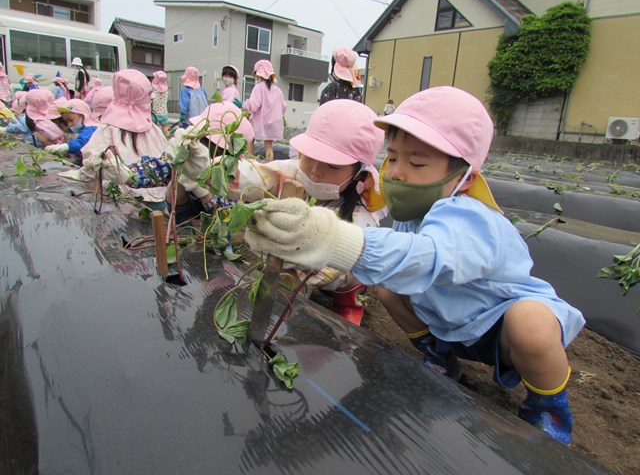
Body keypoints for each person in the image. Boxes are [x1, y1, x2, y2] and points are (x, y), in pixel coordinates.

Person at [243, 86, 585, 445]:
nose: (398, 173)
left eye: (417, 163)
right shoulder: (416, 216)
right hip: (449, 325)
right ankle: (439, 356)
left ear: (466, 177)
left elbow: (428, 257)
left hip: (499, 331)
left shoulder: (472, 218)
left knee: (531, 322)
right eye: (392, 158)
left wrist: (331, 239)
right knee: (390, 292)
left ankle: (548, 408)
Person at [178, 99, 387, 325]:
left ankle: (348, 303)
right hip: (293, 263)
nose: (315, 171)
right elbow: (253, 175)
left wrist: (299, 262)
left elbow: (347, 259)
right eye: (309, 157)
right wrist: (206, 167)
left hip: (333, 270)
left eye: (332, 166)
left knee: (349, 279)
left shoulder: (361, 213)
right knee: (284, 288)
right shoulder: (292, 173)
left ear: (359, 171)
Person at [59, 69, 170, 209]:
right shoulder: (153, 129)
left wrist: (82, 174)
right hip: (158, 196)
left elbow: (92, 161)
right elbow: (167, 160)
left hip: (121, 200)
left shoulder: (107, 129)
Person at [243, 59, 286, 161]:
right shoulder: (278, 90)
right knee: (269, 147)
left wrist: (244, 105)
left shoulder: (259, 88)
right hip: (274, 123)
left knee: (250, 139)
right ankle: (268, 166)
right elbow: (283, 106)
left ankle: (251, 163)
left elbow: (254, 105)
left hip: (260, 122)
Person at [44, 99, 99, 163]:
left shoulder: (92, 128)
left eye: (71, 120)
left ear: (83, 116)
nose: (69, 124)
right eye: (67, 122)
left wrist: (66, 147)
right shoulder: (83, 130)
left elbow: (80, 143)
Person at [151, 70, 169, 136]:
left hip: (154, 113)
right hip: (164, 112)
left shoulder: (153, 89)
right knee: (164, 127)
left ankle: (155, 139)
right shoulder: (166, 90)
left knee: (153, 128)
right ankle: (166, 137)